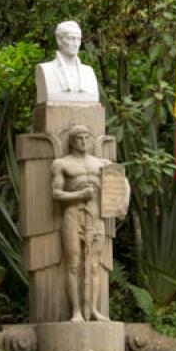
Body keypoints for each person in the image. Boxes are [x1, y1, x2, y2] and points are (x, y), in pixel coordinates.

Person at [52, 125, 128, 322]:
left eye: (86, 137)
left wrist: (123, 204)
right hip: (73, 214)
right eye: (79, 138)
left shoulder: (102, 163)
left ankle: (93, 309)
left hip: (96, 216)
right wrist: (80, 194)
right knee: (74, 265)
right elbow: (56, 193)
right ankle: (76, 311)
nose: (83, 141)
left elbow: (122, 181)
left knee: (93, 266)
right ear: (72, 141)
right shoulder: (62, 164)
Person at [35, 21, 99, 104]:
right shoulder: (46, 69)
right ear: (59, 40)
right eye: (71, 38)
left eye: (78, 39)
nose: (76, 44)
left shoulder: (88, 72)